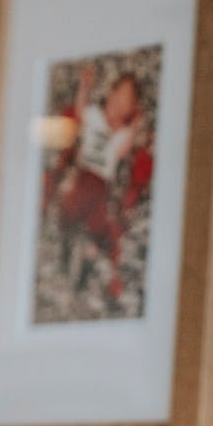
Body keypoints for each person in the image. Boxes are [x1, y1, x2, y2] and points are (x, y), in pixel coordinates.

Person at [42, 64, 154, 301]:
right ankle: (67, 246)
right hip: (83, 175)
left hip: (102, 185)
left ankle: (87, 259)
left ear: (131, 110)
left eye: (127, 103)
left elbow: (125, 148)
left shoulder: (122, 135)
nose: (119, 106)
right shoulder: (94, 116)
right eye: (118, 97)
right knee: (70, 208)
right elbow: (80, 112)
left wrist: (134, 126)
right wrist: (84, 86)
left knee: (100, 226)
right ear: (109, 94)